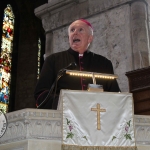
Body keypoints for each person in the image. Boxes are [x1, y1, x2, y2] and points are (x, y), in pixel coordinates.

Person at [34, 19, 120, 109]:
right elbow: (41, 93)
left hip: (96, 115)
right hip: (64, 115)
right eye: (72, 30)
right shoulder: (53, 60)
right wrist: (63, 102)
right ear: (69, 38)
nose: (75, 33)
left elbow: (115, 95)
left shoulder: (104, 63)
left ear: (90, 38)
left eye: (80, 30)